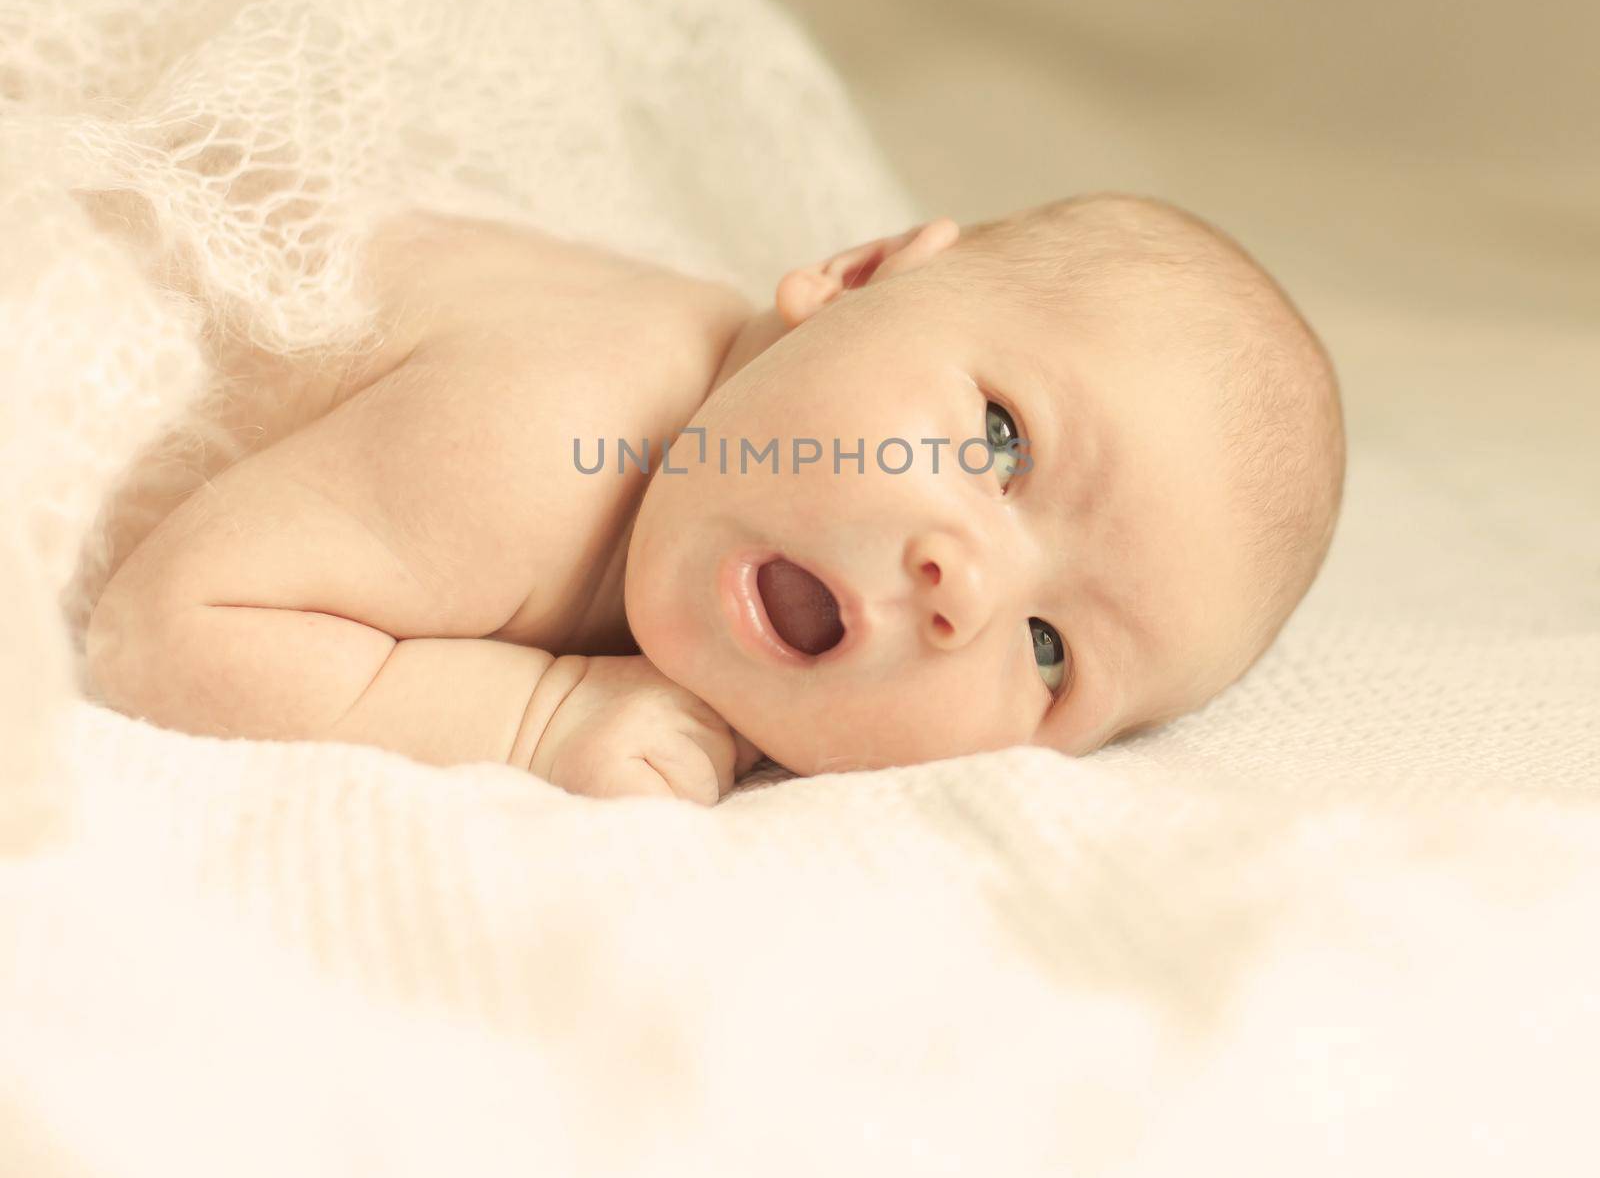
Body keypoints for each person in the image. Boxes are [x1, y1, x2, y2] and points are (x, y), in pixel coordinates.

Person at [84, 193, 1344, 804]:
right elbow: (169, 626)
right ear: (854, 277)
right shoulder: (547, 435)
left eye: (1051, 650)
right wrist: (540, 714)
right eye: (1001, 440)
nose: (971, 587)